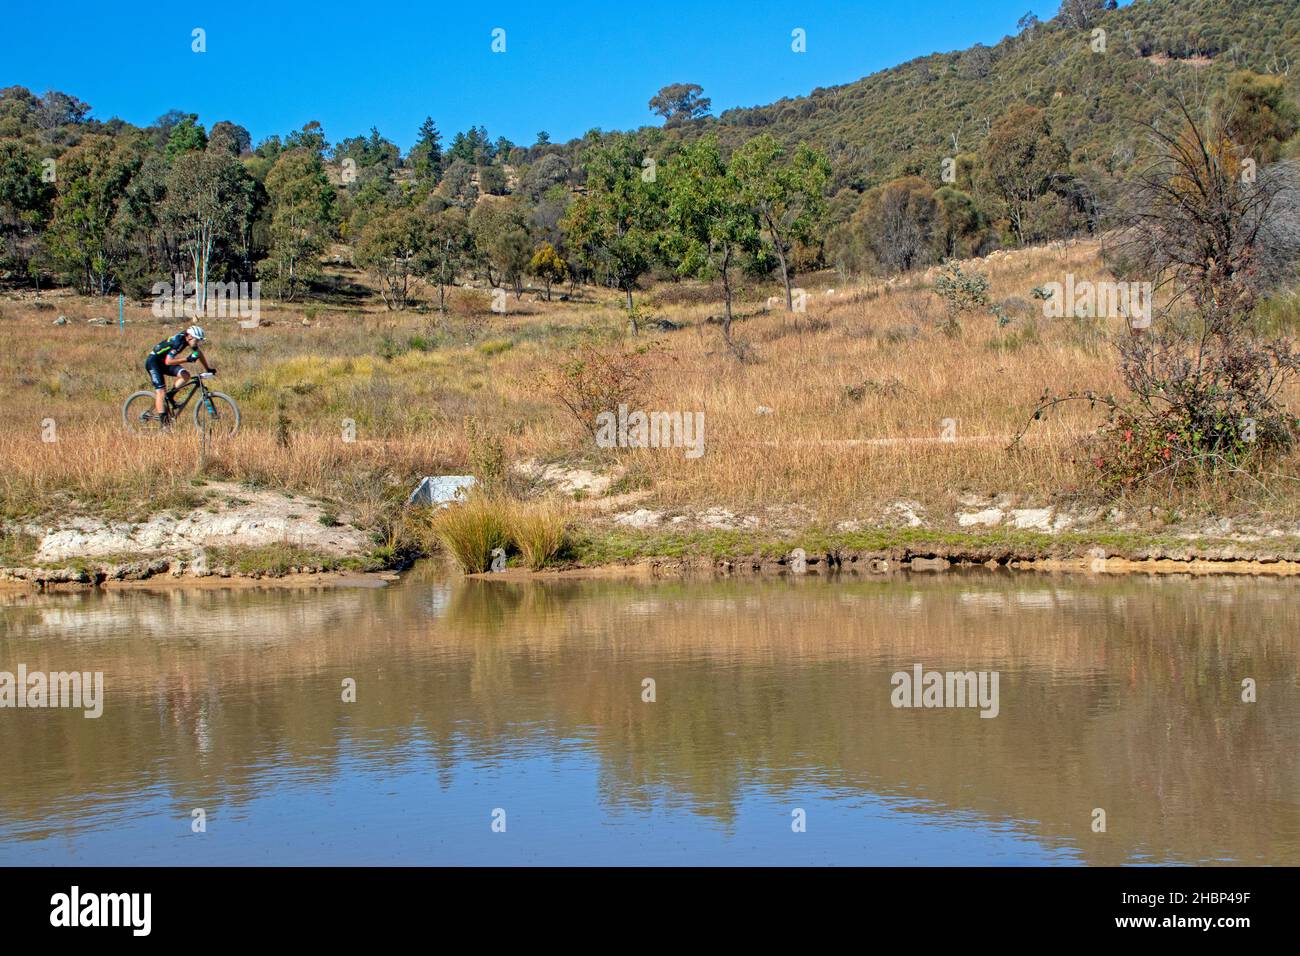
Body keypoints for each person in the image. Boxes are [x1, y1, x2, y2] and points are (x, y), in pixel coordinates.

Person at [145, 325, 215, 424]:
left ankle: (170, 395)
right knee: (161, 392)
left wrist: (208, 368)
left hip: (163, 361)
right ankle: (164, 424)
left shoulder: (188, 338)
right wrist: (187, 359)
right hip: (153, 362)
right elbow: (169, 361)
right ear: (190, 337)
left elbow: (198, 353)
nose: (198, 342)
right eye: (197, 340)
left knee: (186, 375)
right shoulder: (179, 342)